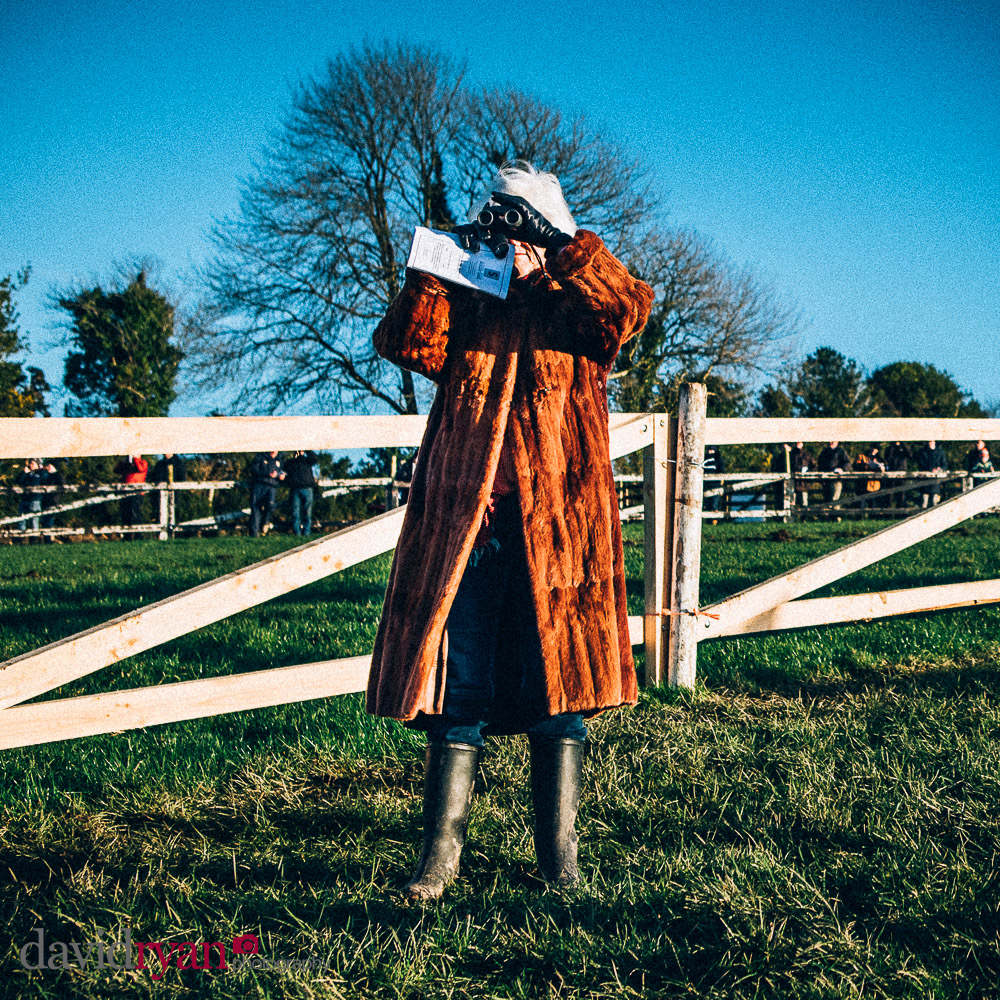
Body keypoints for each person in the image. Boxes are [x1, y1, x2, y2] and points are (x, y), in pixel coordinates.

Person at [367, 160, 653, 900]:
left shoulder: (572, 306)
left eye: (525, 222)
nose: (513, 239)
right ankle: (439, 861)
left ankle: (560, 862)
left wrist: (561, 249)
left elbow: (628, 311)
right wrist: (440, 265)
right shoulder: (472, 300)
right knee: (455, 686)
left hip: (557, 529)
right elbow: (405, 345)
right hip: (468, 525)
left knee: (558, 691)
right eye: (503, 219)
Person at [247, 450, 285, 536]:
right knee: (256, 508)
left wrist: (280, 475)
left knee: (270, 505)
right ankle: (254, 534)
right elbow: (254, 470)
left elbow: (282, 472)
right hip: (259, 485)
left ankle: (265, 523)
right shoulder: (260, 457)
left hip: (272, 486)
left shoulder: (279, 460)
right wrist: (267, 473)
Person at [284, 449, 318, 536]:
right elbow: (284, 471)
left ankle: (306, 532)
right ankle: (297, 532)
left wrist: (306, 449)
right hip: (295, 489)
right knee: (295, 512)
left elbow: (314, 458)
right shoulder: (291, 462)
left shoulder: (307, 460)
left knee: (307, 512)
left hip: (307, 488)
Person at [114, 455, 148, 528]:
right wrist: (122, 462)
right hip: (126, 491)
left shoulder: (143, 462)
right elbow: (116, 470)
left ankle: (138, 534)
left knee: (135, 513)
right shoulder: (127, 465)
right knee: (125, 513)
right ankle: (127, 535)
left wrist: (136, 458)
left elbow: (140, 469)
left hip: (137, 492)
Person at [817, 441, 850, 510]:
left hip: (836, 479)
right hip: (826, 479)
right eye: (830, 441)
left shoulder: (841, 451)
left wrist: (842, 469)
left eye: (833, 441)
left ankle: (836, 516)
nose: (831, 442)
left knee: (835, 498)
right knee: (827, 498)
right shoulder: (824, 452)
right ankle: (828, 517)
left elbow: (847, 463)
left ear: (837, 442)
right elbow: (820, 464)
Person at [915, 440, 948, 506]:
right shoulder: (923, 452)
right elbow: (921, 464)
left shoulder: (940, 452)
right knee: (924, 501)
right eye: (929, 441)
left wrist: (940, 469)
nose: (930, 442)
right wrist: (930, 469)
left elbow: (944, 465)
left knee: (934, 501)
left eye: (932, 441)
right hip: (925, 479)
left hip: (935, 480)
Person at [16, 458, 46, 531]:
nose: (30, 465)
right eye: (30, 463)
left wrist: (29, 474)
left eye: (32, 463)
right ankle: (21, 536)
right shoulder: (27, 473)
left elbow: (36, 483)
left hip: (35, 499)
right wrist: (24, 473)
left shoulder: (41, 473)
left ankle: (34, 537)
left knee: (34, 519)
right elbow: (19, 481)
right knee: (22, 518)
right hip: (25, 498)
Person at [884, 441, 912, 508]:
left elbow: (910, 455)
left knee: (901, 493)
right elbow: (888, 458)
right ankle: (889, 512)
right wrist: (892, 446)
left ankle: (900, 512)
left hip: (902, 473)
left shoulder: (903, 448)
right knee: (890, 493)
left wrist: (903, 445)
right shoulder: (889, 448)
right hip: (892, 472)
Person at [788, 442, 815, 507]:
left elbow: (814, 466)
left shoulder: (807, 454)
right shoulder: (791, 454)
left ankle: (804, 517)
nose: (798, 443)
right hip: (792, 483)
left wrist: (807, 472)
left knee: (804, 503)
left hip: (803, 483)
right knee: (791, 503)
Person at [40, 461, 65, 529]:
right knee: (45, 519)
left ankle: (48, 537)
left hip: (53, 500)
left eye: (49, 466)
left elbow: (62, 488)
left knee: (49, 518)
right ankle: (46, 537)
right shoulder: (47, 476)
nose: (47, 468)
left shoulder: (58, 475)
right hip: (45, 500)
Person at [703, 446, 725, 514]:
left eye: (712, 450)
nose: (710, 452)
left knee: (714, 503)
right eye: (709, 450)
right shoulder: (705, 459)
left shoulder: (718, 460)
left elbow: (721, 471)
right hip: (706, 484)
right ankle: (708, 520)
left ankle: (714, 520)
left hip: (716, 484)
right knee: (706, 502)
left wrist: (721, 483)